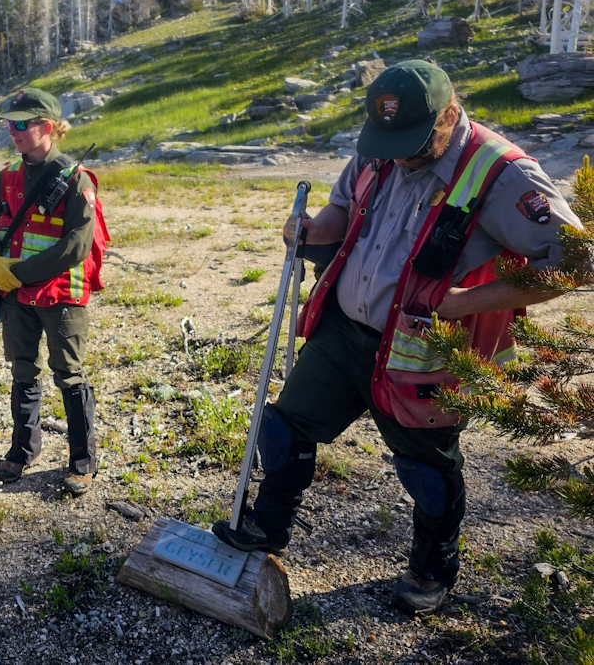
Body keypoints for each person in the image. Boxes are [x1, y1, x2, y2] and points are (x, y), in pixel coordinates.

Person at [212, 60, 585, 615]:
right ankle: (267, 526)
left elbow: (576, 263)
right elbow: (343, 209)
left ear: (449, 115)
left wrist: (465, 303)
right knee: (285, 426)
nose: (398, 154)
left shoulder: (503, 175)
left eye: (412, 140)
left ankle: (432, 568)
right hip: (343, 333)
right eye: (389, 140)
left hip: (423, 353)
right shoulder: (378, 146)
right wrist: (313, 229)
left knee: (427, 470)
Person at [0, 88, 107, 496]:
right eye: (8, 124)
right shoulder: (6, 177)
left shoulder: (77, 180)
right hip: (15, 295)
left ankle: (82, 463)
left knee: (69, 374)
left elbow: (76, 246)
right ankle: (22, 451)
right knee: (22, 371)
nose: (11, 132)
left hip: (62, 293)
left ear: (47, 127)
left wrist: (20, 273)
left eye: (19, 124)